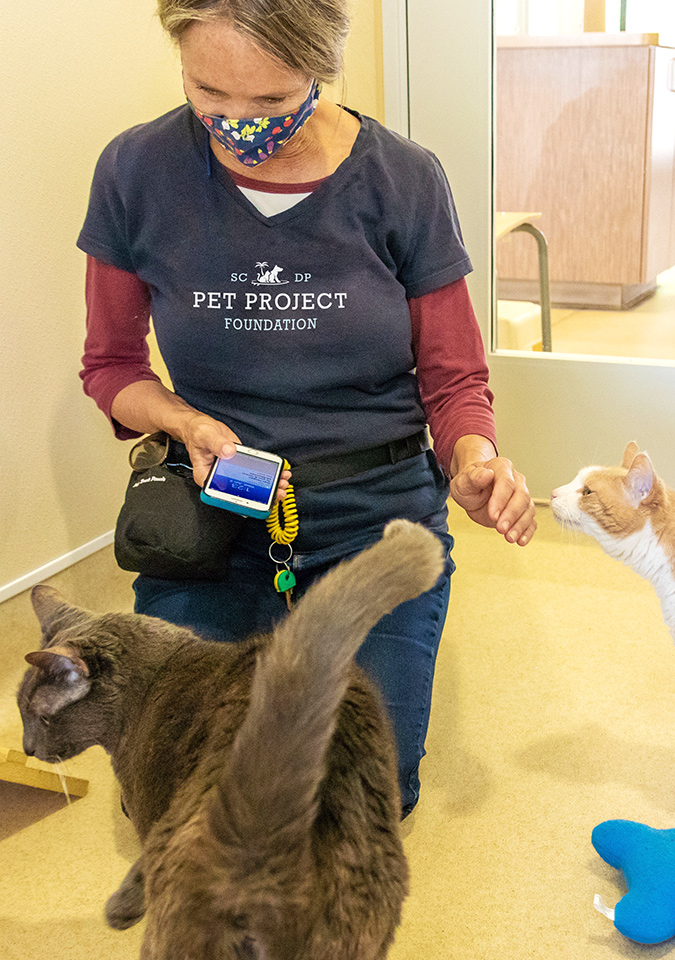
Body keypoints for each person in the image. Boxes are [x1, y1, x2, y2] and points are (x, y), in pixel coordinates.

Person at [78, 0, 537, 817]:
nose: (235, 124)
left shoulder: (403, 179)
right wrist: (183, 422)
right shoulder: (136, 170)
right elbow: (111, 368)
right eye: (208, 91)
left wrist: (474, 458)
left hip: (374, 517)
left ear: (321, 68)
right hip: (216, 515)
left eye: (271, 102)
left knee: (355, 796)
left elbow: (453, 376)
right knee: (184, 786)